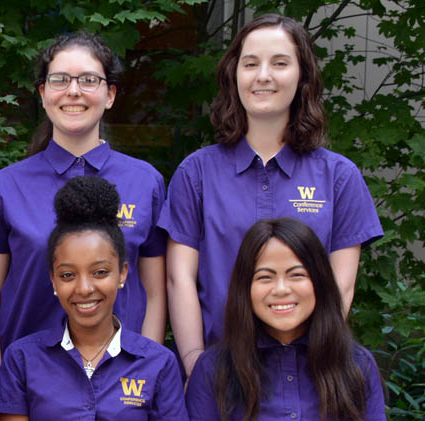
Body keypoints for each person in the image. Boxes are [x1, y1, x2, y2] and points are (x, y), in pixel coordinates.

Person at [158, 13, 383, 374]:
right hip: (220, 375)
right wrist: (195, 369)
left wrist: (314, 366)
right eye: (250, 63)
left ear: (303, 76)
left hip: (309, 375)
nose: (263, 75)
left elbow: (342, 285)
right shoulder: (196, 173)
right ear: (234, 75)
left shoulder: (339, 176)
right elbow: (178, 279)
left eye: (280, 63)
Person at [0, 32, 169, 386]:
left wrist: (149, 378)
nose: (74, 91)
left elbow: (156, 293)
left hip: (123, 386)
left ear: (110, 95)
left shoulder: (147, 183)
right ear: (43, 93)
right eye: (60, 80)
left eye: (89, 80)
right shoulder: (6, 187)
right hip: (29, 384)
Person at [0, 176, 186, 421]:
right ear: (53, 280)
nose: (84, 288)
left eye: (100, 272)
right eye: (68, 274)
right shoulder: (21, 360)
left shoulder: (159, 365)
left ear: (122, 273)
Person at [184, 217, 385, 421]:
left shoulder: (357, 365)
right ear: (244, 288)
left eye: (296, 275)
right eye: (264, 277)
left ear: (319, 281)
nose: (281, 289)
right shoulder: (213, 369)